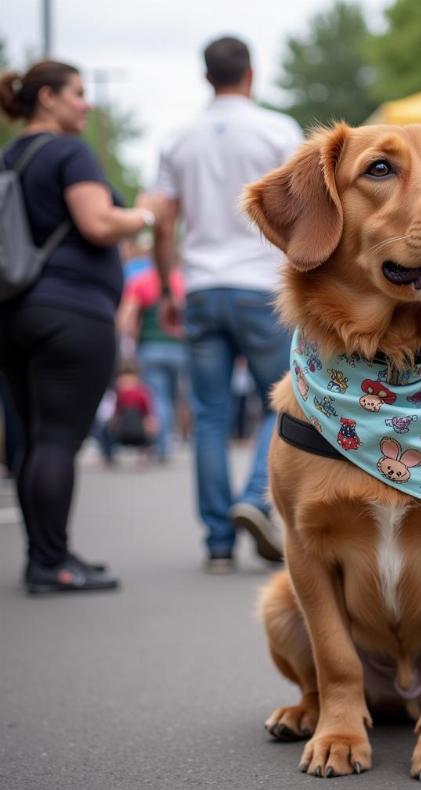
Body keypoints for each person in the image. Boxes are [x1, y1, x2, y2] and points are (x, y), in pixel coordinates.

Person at [0, 61, 166, 593]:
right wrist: (143, 215)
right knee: (55, 440)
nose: (85, 103)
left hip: (16, 311)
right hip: (72, 313)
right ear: (47, 98)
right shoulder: (69, 152)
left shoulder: (12, 157)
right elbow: (97, 224)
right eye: (77, 93)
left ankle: (47, 555)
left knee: (30, 441)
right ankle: (52, 564)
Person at [154, 36, 303, 572]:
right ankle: (257, 494)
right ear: (251, 73)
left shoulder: (178, 139)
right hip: (261, 286)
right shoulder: (277, 129)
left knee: (211, 416)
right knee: (285, 398)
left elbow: (165, 220)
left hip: (199, 286)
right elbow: (298, 209)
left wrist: (169, 286)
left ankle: (217, 541)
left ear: (205, 76)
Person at [117, 235, 186, 462]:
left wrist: (128, 341)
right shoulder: (182, 281)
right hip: (179, 349)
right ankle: (168, 440)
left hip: (150, 348)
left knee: (157, 398)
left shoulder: (141, 280)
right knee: (174, 397)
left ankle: (161, 446)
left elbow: (126, 317)